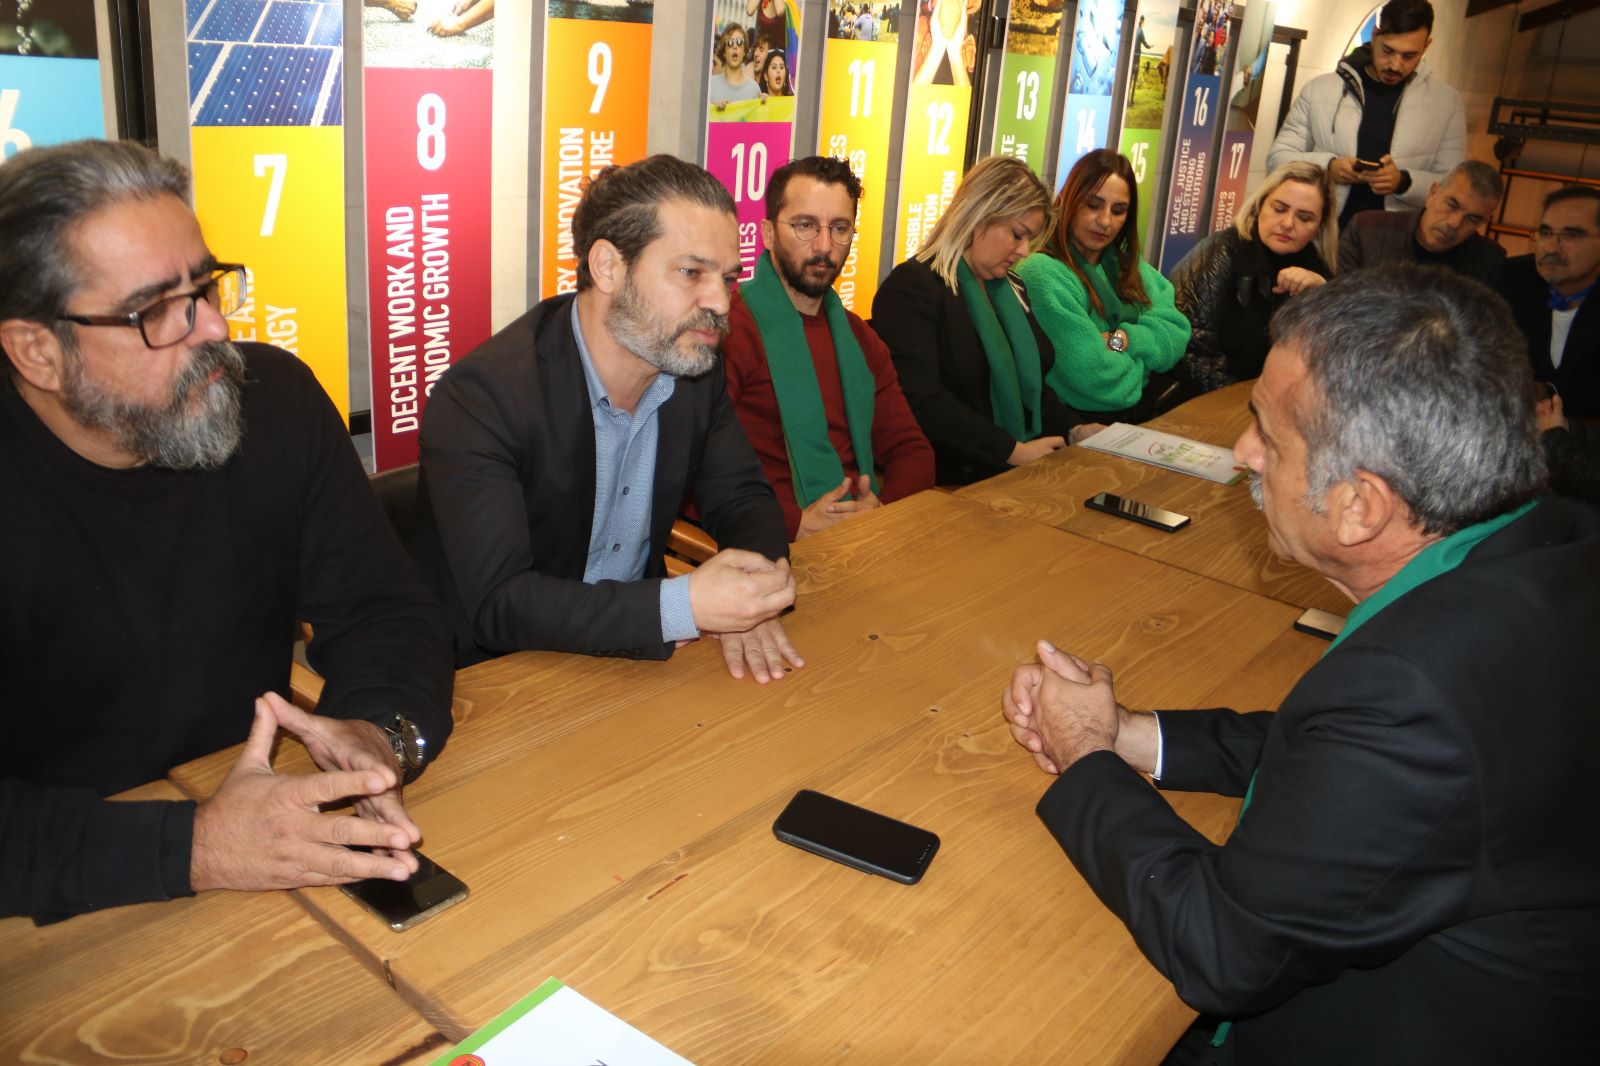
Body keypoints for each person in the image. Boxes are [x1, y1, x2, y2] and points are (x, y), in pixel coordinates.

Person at [1003, 263, 1599, 1064]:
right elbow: (1340, 761)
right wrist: (1129, 734)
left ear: (1360, 507)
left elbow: (1223, 952)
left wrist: (1082, 752)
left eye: (1268, 436)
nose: (1243, 453)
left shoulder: (1412, 694)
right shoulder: (1549, 542)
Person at [0, 140, 455, 923]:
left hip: (256, 843)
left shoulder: (273, 400)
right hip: (67, 905)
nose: (212, 326)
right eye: (154, 311)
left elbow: (385, 609)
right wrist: (197, 846)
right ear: (37, 351)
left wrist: (376, 732)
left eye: (205, 285)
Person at [414, 155, 801, 684]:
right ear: (608, 268)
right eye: (691, 272)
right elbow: (501, 603)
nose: (719, 301)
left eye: (728, 278)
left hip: (635, 661)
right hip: (500, 678)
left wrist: (752, 598)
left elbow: (742, 498)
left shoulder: (693, 367)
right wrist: (686, 605)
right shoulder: (483, 398)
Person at [724, 155, 934, 541]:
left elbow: (913, 451)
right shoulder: (729, 332)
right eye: (805, 225)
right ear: (767, 234)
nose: (824, 246)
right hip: (768, 541)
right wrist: (794, 523)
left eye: (840, 228)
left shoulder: (860, 339)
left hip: (863, 538)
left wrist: (882, 511)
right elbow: (688, 464)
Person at [870, 155, 1093, 485]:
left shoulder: (1011, 287)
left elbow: (1030, 389)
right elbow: (922, 402)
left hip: (1010, 467)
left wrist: (1074, 428)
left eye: (1029, 239)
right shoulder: (911, 289)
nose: (1024, 251)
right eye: (1017, 234)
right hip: (951, 480)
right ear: (978, 218)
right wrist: (1011, 451)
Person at [1015, 149, 1191, 423]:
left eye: (1118, 211)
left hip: (1139, 420)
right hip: (1078, 427)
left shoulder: (1126, 263)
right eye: (1093, 205)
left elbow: (1178, 332)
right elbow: (1095, 378)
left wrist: (1122, 339)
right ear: (1070, 201)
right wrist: (1147, 363)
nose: (1105, 221)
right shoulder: (1041, 272)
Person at [1267, 0, 1464, 229]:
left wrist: (1403, 182)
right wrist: (1329, 167)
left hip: (1394, 239)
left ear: (1426, 46)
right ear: (1375, 35)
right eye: (1388, 51)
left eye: (1409, 56)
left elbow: (1454, 186)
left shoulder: (1447, 102)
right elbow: (1278, 159)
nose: (1395, 65)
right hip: (1322, 232)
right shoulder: (1319, 89)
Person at [1170, 161, 1336, 395]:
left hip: (1273, 399)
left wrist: (1324, 295)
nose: (1288, 223)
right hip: (1210, 398)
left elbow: (1336, 357)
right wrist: (1247, 402)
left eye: (1305, 217)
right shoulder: (1222, 253)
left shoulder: (1317, 270)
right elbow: (1188, 349)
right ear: (1260, 205)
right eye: (1279, 209)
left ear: (1319, 227)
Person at [1499, 185, 1600, 420]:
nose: (1551, 248)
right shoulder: (1509, 278)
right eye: (1545, 233)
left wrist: (1548, 391)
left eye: (1571, 235)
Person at [1337, 158, 1504, 285]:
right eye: (1452, 205)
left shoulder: (1488, 259)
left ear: (1484, 222)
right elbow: (1337, 306)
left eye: (1472, 219)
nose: (1455, 223)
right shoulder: (1366, 229)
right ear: (1432, 193)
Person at [709, 25, 763, 115]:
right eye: (730, 42)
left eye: (739, 42)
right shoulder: (711, 85)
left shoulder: (754, 89)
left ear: (744, 51)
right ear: (724, 52)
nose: (735, 46)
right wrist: (713, 109)